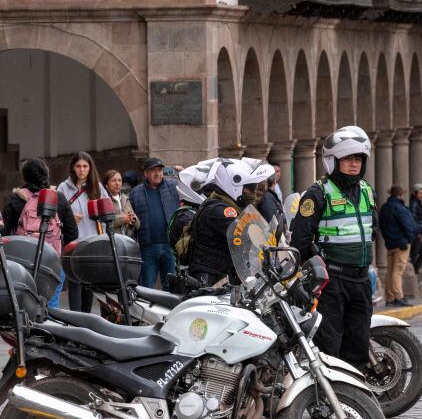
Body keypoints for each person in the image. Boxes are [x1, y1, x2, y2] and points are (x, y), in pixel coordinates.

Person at [291, 127, 378, 369]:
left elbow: (373, 228)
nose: (354, 165)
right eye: (348, 159)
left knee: (358, 344)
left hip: (360, 281)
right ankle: (331, 402)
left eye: (358, 159)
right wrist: (321, 264)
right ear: (333, 161)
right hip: (333, 283)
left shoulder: (367, 192)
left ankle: (355, 401)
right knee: (331, 346)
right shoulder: (318, 194)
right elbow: (300, 240)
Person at [2, 158, 78, 308]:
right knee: (51, 305)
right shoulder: (59, 198)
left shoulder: (16, 199)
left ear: (24, 176)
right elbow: (72, 233)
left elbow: (3, 231)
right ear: (46, 174)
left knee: (23, 304)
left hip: (22, 262)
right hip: (53, 262)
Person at [186, 158, 274, 286]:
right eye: (250, 188)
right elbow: (248, 236)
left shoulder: (229, 206)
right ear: (233, 186)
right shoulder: (220, 211)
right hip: (210, 281)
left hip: (221, 276)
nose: (254, 192)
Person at [57, 152, 110, 312]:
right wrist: (69, 217)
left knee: (88, 285)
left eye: (85, 166)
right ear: (73, 168)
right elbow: (55, 216)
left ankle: (85, 321)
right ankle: (75, 322)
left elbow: (108, 211)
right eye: (78, 166)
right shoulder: (63, 188)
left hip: (92, 242)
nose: (81, 170)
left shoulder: (97, 187)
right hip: (72, 244)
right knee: (74, 283)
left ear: (90, 168)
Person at [127, 158, 180, 291]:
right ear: (145, 174)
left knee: (171, 285)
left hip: (169, 246)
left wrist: (184, 174)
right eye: (153, 171)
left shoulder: (174, 187)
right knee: (146, 285)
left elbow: (194, 187)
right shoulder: (136, 192)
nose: (158, 174)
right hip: (147, 247)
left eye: (160, 170)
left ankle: (170, 312)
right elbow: (130, 217)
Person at [378, 185, 418, 307]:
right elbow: (409, 226)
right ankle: (398, 297)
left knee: (390, 271)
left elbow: (381, 226)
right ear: (400, 195)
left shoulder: (385, 208)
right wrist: (409, 239)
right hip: (401, 244)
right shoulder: (400, 208)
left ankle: (389, 298)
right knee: (398, 271)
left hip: (390, 244)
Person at [102, 169, 139, 237]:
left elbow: (138, 224)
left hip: (128, 241)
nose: (117, 183)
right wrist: (124, 218)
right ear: (106, 184)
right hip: (112, 241)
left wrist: (133, 220)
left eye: (119, 180)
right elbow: (103, 223)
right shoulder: (103, 200)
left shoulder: (125, 198)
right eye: (113, 180)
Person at [409, 184, 422, 274]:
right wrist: (418, 231)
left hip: (417, 233)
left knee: (421, 254)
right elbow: (413, 219)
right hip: (416, 234)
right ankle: (413, 273)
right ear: (415, 193)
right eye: (420, 193)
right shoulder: (415, 203)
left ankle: (414, 273)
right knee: (414, 255)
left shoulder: (417, 203)